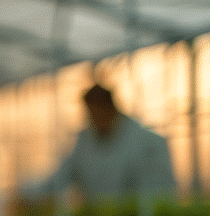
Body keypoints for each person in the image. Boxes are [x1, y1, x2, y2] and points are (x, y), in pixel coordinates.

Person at [30, 84, 177, 205]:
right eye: (90, 113)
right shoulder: (84, 141)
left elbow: (161, 192)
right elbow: (60, 177)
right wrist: (29, 194)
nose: (93, 119)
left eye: (97, 112)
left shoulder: (146, 142)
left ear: (111, 108)